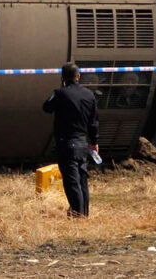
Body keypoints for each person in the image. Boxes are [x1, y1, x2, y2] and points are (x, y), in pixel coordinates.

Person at [42, 62, 99, 217]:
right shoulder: (89, 94)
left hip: (66, 143)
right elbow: (93, 122)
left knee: (71, 182)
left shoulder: (61, 94)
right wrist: (94, 142)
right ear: (78, 76)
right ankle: (84, 213)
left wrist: (59, 90)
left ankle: (77, 214)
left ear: (62, 77)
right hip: (82, 143)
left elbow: (46, 107)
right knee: (82, 180)